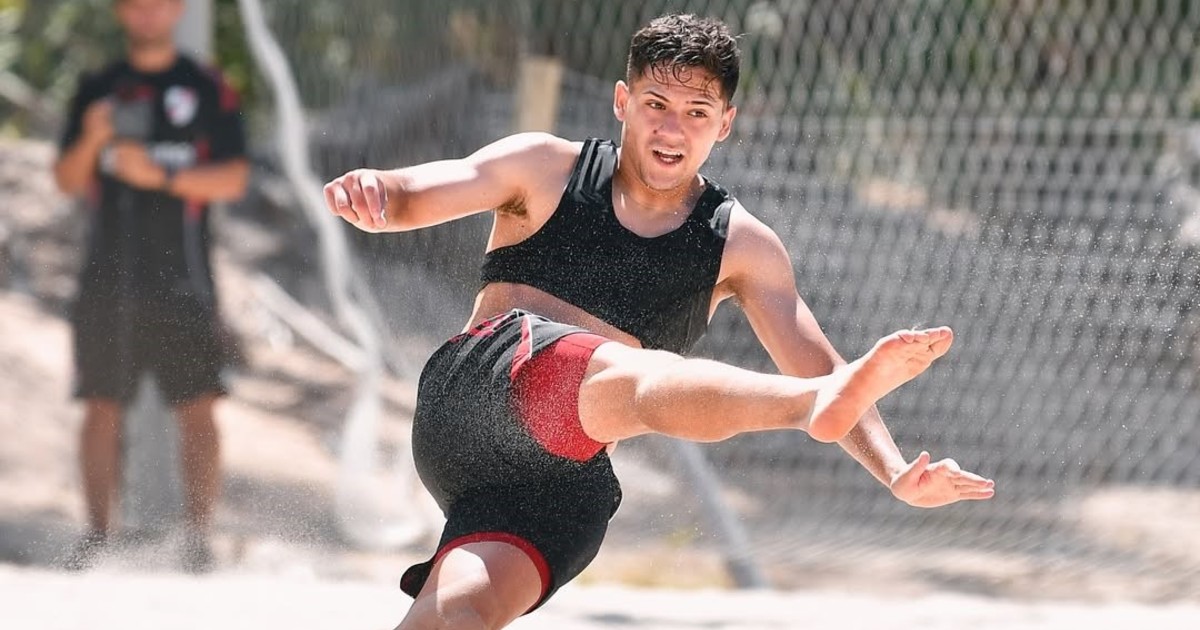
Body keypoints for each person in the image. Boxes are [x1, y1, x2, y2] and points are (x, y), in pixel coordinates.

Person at [324, 14, 995, 630]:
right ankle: (799, 409)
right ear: (623, 102)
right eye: (656, 105)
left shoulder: (741, 246)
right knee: (634, 374)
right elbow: (420, 191)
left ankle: (804, 405)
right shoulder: (545, 168)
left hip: (559, 481)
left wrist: (894, 470)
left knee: (456, 615)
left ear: (724, 123)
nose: (672, 129)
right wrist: (378, 191)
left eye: (696, 112)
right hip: (475, 397)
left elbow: (826, 370)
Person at [53, 0, 249, 573]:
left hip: (185, 283)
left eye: (158, 3)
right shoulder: (97, 87)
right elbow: (66, 178)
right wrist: (93, 139)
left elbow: (234, 178)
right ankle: (96, 539)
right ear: (121, 11)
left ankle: (198, 541)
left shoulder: (208, 87)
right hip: (105, 282)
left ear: (177, 10)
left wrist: (159, 174)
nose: (147, 12)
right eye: (136, 3)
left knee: (199, 409)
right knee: (99, 407)